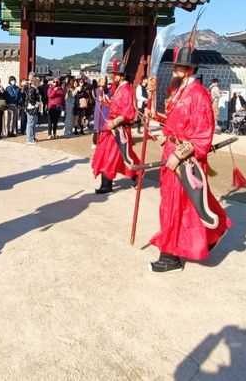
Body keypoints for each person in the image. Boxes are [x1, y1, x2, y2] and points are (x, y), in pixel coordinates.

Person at [146, 44, 230, 273]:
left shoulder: (199, 95)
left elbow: (202, 135)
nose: (175, 69)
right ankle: (210, 233)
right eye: (175, 65)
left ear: (190, 69)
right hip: (171, 153)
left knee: (179, 206)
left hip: (185, 159)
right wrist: (151, 97)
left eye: (180, 66)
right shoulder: (179, 92)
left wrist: (178, 153)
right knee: (175, 204)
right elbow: (169, 121)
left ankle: (171, 256)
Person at [91, 59, 139, 194]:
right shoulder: (120, 88)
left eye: (116, 74)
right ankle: (137, 174)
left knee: (111, 156)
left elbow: (128, 111)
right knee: (118, 155)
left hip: (118, 129)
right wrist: (104, 101)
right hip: (111, 128)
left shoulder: (126, 90)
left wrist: (115, 122)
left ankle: (108, 184)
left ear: (122, 76)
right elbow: (114, 106)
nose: (114, 76)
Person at [92, 76, 110, 149]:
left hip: (105, 108)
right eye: (102, 80)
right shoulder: (96, 90)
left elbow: (110, 99)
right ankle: (95, 142)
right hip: (99, 109)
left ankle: (104, 141)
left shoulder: (108, 91)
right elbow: (96, 97)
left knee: (104, 126)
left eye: (104, 80)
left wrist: (105, 99)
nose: (103, 81)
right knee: (98, 126)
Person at [25, 75, 41, 145]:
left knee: (34, 123)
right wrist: (36, 103)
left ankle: (33, 137)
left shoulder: (35, 89)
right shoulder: (31, 89)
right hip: (31, 108)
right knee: (30, 124)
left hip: (34, 108)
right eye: (38, 82)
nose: (39, 83)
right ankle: (29, 139)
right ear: (35, 82)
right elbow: (31, 99)